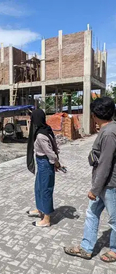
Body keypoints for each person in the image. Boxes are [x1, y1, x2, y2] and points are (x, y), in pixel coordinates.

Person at [64, 97, 116, 262]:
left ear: (95, 115)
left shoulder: (109, 133)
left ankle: (114, 250)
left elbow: (105, 163)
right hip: (103, 184)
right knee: (91, 213)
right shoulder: (108, 129)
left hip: (109, 185)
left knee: (114, 220)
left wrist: (94, 189)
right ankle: (86, 248)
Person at [26, 108, 61, 227]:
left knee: (46, 190)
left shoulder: (41, 135)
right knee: (38, 188)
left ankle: (46, 219)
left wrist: (56, 163)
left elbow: (50, 152)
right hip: (42, 164)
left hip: (45, 164)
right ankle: (40, 209)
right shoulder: (45, 129)